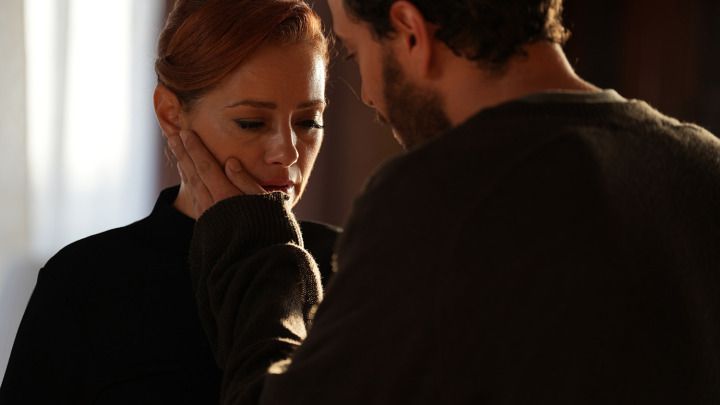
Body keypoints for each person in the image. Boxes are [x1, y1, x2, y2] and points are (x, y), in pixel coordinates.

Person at [169, 0, 720, 404]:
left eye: (357, 52)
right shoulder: (705, 168)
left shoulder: (437, 198)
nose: (368, 95)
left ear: (410, 32)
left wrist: (256, 251)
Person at [0, 1, 338, 404]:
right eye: (251, 122)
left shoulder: (355, 266)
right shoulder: (84, 282)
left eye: (308, 121)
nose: (288, 152)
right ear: (171, 114)